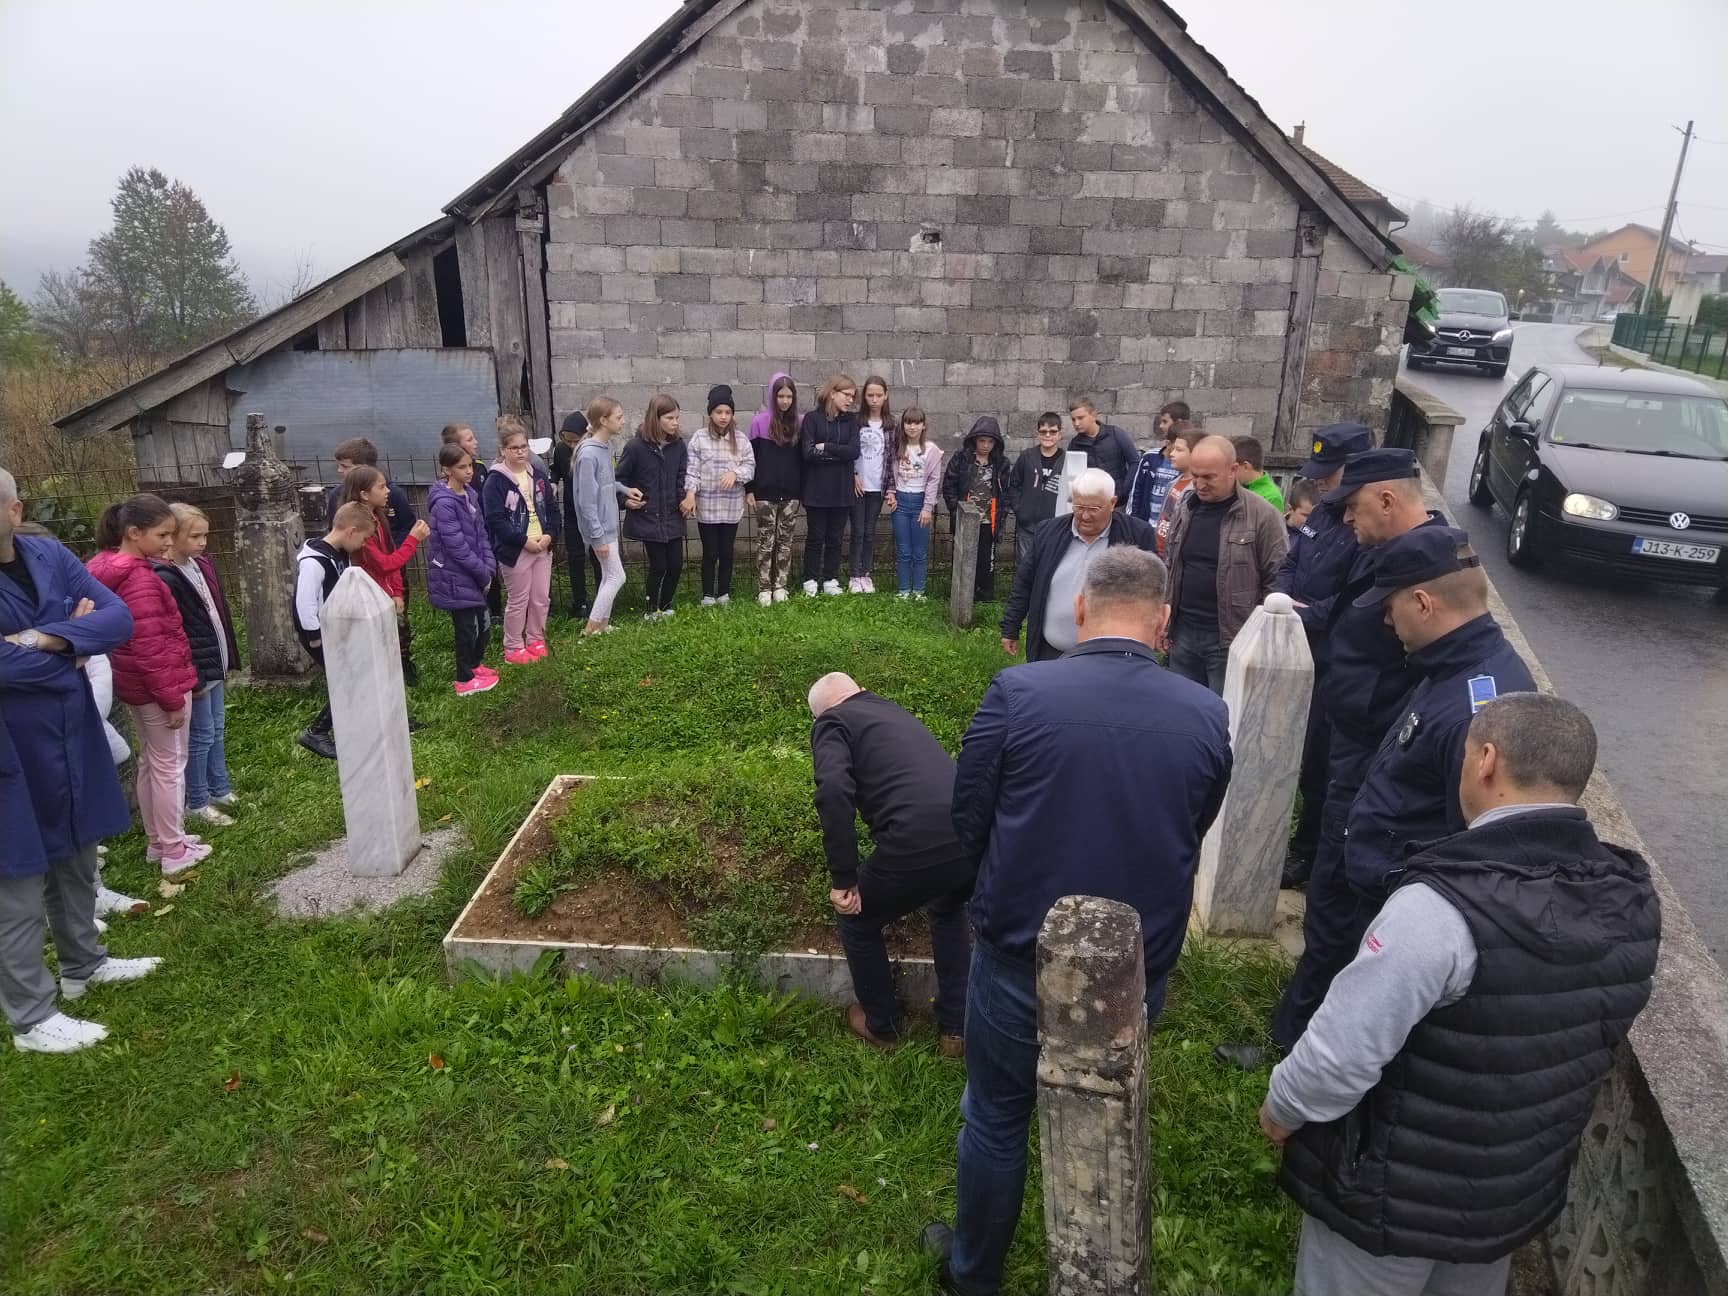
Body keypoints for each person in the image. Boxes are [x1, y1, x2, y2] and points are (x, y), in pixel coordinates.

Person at [1261, 693, 1659, 1296]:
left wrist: (1283, 1107)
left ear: (1486, 761)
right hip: (1511, 1194)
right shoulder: (1631, 898)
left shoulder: (1438, 908)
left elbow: (1341, 1055)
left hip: (1393, 1199)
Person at [922, 547, 1232, 1294]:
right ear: (1163, 621)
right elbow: (1194, 822)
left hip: (1019, 948)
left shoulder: (1018, 691)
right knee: (1105, 1113)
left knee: (996, 1116)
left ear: (1082, 608)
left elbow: (968, 818)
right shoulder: (1205, 712)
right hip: (1133, 963)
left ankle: (973, 1274)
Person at [1249, 450, 1445, 1059]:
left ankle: (1300, 1042)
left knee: (1338, 899)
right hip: (1348, 739)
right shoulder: (1381, 552)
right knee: (1330, 897)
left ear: (1387, 500)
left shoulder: (1429, 565)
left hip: (1373, 755)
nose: (1346, 521)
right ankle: (1305, 1023)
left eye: (1354, 508)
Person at [1, 469, 162, 1053]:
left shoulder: (47, 554)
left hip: (67, 733)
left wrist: (43, 638)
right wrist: (72, 639)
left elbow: (116, 619)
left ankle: (83, 965)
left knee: (75, 850)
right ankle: (30, 1018)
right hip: (11, 745)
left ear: (15, 511)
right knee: (16, 882)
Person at [807, 672, 973, 1055]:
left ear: (821, 714)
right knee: (948, 907)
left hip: (915, 838)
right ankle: (957, 1030)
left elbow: (833, 790)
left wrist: (844, 877)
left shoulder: (832, 722)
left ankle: (882, 1025)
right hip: (970, 834)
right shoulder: (890, 710)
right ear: (859, 691)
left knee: (856, 917)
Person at [1272, 422, 1374, 889]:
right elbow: (1292, 560)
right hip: (1301, 646)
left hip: (1337, 659)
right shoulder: (1324, 511)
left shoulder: (1363, 523)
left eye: (1329, 473)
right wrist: (1279, 598)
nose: (1320, 482)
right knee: (1302, 753)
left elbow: (1359, 595)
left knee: (1324, 765)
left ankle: (1312, 854)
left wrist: (1306, 615)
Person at [86, 495, 206, 873]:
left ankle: (159, 841)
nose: (169, 542)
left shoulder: (107, 568)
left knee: (151, 762)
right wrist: (172, 700)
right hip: (160, 686)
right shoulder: (140, 580)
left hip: (134, 685)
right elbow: (150, 646)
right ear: (134, 533)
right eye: (163, 535)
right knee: (170, 765)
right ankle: (173, 850)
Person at [1162, 434, 1287, 694]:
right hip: (1183, 635)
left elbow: (1278, 579)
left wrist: (1258, 638)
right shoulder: (1186, 507)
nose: (1199, 484)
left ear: (1233, 470)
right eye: (1195, 476)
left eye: (1209, 477)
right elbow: (1171, 565)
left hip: (1231, 641)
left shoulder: (1262, 516)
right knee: (1184, 708)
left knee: (1224, 712)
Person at [999, 467, 1155, 662]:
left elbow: (1149, 592)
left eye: (1093, 509)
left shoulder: (1137, 535)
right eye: (1079, 507)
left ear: (1112, 503)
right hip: (1051, 652)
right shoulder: (1049, 532)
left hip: (1109, 657)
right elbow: (1025, 582)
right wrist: (1011, 626)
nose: (1085, 516)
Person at [162, 504, 241, 826]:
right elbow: (177, 632)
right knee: (201, 735)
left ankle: (219, 788)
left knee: (216, 728)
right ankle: (196, 800)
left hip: (214, 660)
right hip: (196, 669)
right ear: (173, 536)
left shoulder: (201, 564)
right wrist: (192, 676)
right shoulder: (167, 576)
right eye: (195, 536)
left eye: (205, 535)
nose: (203, 542)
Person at [292, 502, 377, 759]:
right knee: (346, 679)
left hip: (337, 629)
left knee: (356, 674)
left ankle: (352, 726)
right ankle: (317, 732)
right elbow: (305, 602)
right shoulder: (314, 561)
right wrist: (315, 636)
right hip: (319, 633)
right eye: (363, 538)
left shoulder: (339, 553)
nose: (364, 544)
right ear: (351, 531)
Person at [342, 465, 432, 685]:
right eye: (381, 487)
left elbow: (391, 558)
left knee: (394, 637)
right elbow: (384, 565)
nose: (388, 491)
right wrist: (413, 539)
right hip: (369, 597)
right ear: (364, 494)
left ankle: (398, 673)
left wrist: (397, 592)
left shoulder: (377, 518)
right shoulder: (360, 528)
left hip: (385, 595)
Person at [483, 414, 561, 654]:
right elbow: (495, 520)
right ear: (503, 450)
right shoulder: (495, 481)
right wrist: (523, 541)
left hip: (542, 545)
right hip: (516, 549)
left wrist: (549, 536)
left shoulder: (537, 476)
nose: (520, 452)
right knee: (519, 599)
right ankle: (513, 646)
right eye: (514, 448)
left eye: (524, 447)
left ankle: (535, 638)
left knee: (540, 597)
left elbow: (552, 510)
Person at [426, 444, 499, 697]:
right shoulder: (444, 504)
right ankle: (463, 678)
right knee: (467, 629)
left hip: (475, 572)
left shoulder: (470, 494)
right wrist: (482, 573)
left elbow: (481, 534)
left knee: (483, 623)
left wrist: (489, 565)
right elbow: (456, 547)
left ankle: (475, 665)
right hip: (455, 577)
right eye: (462, 467)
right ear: (447, 470)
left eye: (470, 466)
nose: (469, 471)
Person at [616, 394, 691, 620]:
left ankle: (666, 606)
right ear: (655, 418)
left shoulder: (678, 446)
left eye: (677, 418)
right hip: (648, 516)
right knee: (659, 566)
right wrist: (625, 500)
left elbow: (682, 476)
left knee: (676, 565)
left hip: (672, 515)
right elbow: (618, 480)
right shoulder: (635, 447)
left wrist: (684, 498)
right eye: (670, 418)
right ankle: (651, 610)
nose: (675, 423)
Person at [685, 384, 755, 607]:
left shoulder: (741, 440)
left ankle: (723, 592)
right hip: (707, 507)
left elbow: (750, 467)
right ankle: (707, 594)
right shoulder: (699, 438)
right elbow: (692, 470)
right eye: (719, 412)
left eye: (728, 412)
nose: (723, 417)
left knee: (726, 552)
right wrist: (691, 494)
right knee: (710, 552)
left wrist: (735, 474)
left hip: (731, 507)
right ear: (710, 413)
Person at [575, 396, 637, 636]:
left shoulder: (605, 447)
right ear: (603, 420)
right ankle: (590, 629)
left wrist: (624, 489)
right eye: (618, 417)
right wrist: (597, 537)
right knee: (617, 576)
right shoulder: (588, 455)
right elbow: (586, 502)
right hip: (600, 528)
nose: (623, 421)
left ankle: (602, 625)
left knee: (608, 575)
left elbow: (607, 482)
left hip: (608, 524)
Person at [800, 373, 860, 596]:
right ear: (833, 393)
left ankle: (830, 579)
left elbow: (853, 451)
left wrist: (826, 446)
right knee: (816, 537)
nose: (850, 400)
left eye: (853, 397)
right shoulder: (812, 419)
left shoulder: (851, 421)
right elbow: (808, 453)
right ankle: (810, 579)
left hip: (842, 490)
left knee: (835, 538)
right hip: (816, 490)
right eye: (847, 395)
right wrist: (838, 455)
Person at [939, 416, 1010, 602]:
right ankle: (962, 592)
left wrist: (1002, 513)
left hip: (989, 520)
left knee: (986, 559)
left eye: (990, 442)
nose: (985, 445)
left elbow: (1005, 492)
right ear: (974, 440)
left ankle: (984, 594)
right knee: (964, 556)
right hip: (966, 518)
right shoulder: (961, 459)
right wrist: (956, 509)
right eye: (982, 441)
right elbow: (949, 485)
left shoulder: (1001, 464)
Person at [747, 372, 803, 605]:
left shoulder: (799, 423)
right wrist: (749, 489)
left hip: (791, 494)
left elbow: (802, 460)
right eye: (780, 396)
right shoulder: (758, 423)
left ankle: (781, 585)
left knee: (785, 541)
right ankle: (764, 588)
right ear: (772, 396)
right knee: (765, 541)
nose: (785, 401)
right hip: (764, 494)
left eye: (789, 396)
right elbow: (750, 459)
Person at [445, 423, 504, 626]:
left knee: (490, 566)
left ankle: (495, 610)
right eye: (470, 439)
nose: (476, 442)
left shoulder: (479, 467)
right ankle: (474, 611)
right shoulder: (449, 482)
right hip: (465, 536)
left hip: (484, 529)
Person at [551, 411, 604, 621]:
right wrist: (553, 481)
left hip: (594, 511)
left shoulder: (594, 450)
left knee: (598, 556)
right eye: (568, 441)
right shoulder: (561, 450)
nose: (573, 445)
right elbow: (556, 469)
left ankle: (602, 600)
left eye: (577, 440)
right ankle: (579, 602)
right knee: (575, 557)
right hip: (572, 511)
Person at [886, 406, 941, 599]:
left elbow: (934, 480)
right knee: (903, 551)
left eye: (917, 423)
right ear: (903, 425)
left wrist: (927, 508)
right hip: (900, 503)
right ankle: (903, 590)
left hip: (920, 503)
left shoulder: (931, 450)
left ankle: (918, 591)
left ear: (923, 426)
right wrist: (891, 494)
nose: (912, 427)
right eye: (908, 422)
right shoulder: (897, 447)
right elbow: (890, 474)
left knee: (919, 551)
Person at [324, 436, 416, 546]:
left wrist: (394, 550)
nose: (339, 470)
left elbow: (407, 526)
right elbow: (334, 530)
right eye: (339, 465)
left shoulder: (393, 493)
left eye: (345, 466)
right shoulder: (337, 495)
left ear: (364, 468)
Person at [850, 375, 895, 593]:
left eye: (878, 395)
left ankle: (865, 573)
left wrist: (890, 488)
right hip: (858, 486)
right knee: (857, 531)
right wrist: (852, 475)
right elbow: (847, 453)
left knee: (869, 532)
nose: (874, 400)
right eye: (870, 395)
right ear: (864, 397)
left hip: (878, 487)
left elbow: (893, 459)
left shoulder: (891, 425)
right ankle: (854, 575)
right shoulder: (855, 422)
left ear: (885, 396)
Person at [1007, 412, 1065, 569]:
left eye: (1053, 431)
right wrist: (1020, 511)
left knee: (1049, 567)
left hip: (1054, 526)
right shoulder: (1027, 457)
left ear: (1060, 434)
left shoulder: (1066, 460)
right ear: (1037, 433)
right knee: (1025, 567)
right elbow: (1014, 484)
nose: (1048, 435)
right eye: (1043, 431)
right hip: (1027, 526)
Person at [1066, 397, 1138, 506]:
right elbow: (1074, 478)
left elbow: (1135, 462)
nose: (1076, 423)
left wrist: (1124, 491)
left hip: (1120, 502)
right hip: (1092, 504)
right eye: (1073, 419)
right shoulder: (1074, 445)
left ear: (1093, 415)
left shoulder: (1115, 433)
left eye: (1080, 418)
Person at [1126, 403, 1190, 525]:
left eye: (1165, 421)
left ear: (1179, 422)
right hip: (1145, 526)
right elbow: (1136, 492)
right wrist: (1132, 523)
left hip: (1169, 528)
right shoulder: (1150, 457)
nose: (1161, 426)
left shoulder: (1189, 464)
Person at [1150, 425, 1197, 555]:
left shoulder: (1196, 491)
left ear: (1195, 454)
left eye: (1179, 450)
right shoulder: (1173, 483)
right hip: (1159, 551)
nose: (1171, 454)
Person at [1231, 436, 1286, 513]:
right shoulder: (1236, 486)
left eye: (1233, 468)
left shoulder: (1272, 497)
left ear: (1246, 467)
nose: (1229, 473)